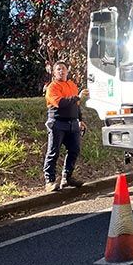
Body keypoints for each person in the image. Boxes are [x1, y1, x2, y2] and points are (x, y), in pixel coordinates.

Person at [43, 61, 89, 192]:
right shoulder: (52, 87)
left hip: (72, 123)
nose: (61, 71)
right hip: (57, 123)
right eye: (58, 69)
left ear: (67, 71)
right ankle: (49, 181)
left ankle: (67, 177)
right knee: (53, 151)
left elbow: (76, 105)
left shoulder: (72, 85)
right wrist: (77, 97)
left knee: (74, 149)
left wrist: (80, 120)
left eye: (63, 69)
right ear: (54, 72)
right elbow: (61, 103)